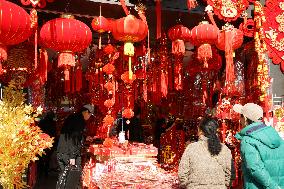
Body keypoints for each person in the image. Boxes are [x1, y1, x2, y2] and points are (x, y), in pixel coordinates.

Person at [233, 103, 284, 189]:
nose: (239, 119)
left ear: (245, 119)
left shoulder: (248, 140)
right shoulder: (274, 135)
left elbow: (255, 169)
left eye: (240, 116)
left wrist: (272, 186)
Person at [178, 117, 235, 189]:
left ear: (200, 131)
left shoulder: (191, 148)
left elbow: (182, 174)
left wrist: (189, 185)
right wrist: (222, 185)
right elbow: (231, 174)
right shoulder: (225, 149)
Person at [56, 104, 94, 188]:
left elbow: (71, 134)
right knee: (72, 175)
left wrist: (84, 137)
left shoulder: (73, 117)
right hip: (69, 153)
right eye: (90, 114)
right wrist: (73, 157)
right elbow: (74, 138)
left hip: (62, 150)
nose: (89, 117)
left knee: (64, 174)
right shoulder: (80, 120)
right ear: (86, 112)